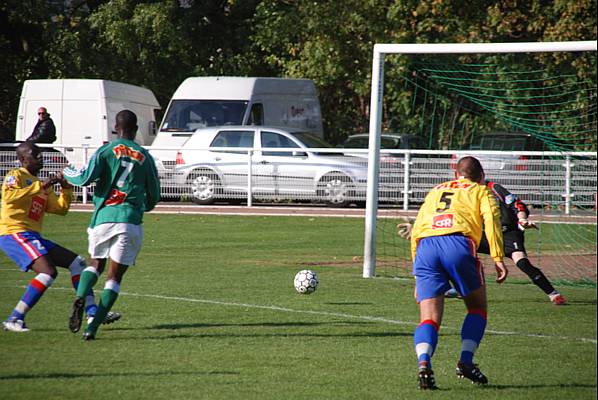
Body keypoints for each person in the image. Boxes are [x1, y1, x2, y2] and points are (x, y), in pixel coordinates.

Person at [410, 156, 507, 390]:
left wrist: (416, 273)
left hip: (425, 247)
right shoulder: (481, 191)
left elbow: (417, 228)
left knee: (429, 318)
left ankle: (424, 363)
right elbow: (492, 220)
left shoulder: (436, 190)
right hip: (458, 244)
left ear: (456, 174)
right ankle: (465, 361)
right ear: (481, 176)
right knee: (477, 308)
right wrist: (497, 257)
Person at [0, 142, 119, 332]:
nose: (40, 157)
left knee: (77, 263)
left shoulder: (41, 185)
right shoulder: (16, 175)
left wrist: (65, 189)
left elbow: (60, 209)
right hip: (14, 233)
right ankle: (14, 318)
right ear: (23, 159)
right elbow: (9, 197)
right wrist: (42, 185)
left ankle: (91, 312)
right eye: (35, 154)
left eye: (40, 153)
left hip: (32, 235)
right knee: (48, 272)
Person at [63, 109, 160, 340]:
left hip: (103, 218)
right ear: (136, 130)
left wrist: (66, 173)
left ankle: (81, 296)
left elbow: (85, 178)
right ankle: (92, 328)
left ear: (116, 129)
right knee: (114, 277)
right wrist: (140, 206)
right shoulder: (145, 156)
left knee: (95, 263)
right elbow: (154, 196)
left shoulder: (106, 151)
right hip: (129, 221)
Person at [476, 181, 566, 304]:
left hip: (508, 233)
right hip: (485, 234)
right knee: (458, 251)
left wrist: (522, 219)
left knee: (522, 263)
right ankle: (456, 288)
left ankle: (553, 294)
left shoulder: (494, 188)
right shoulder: (464, 191)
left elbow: (516, 204)